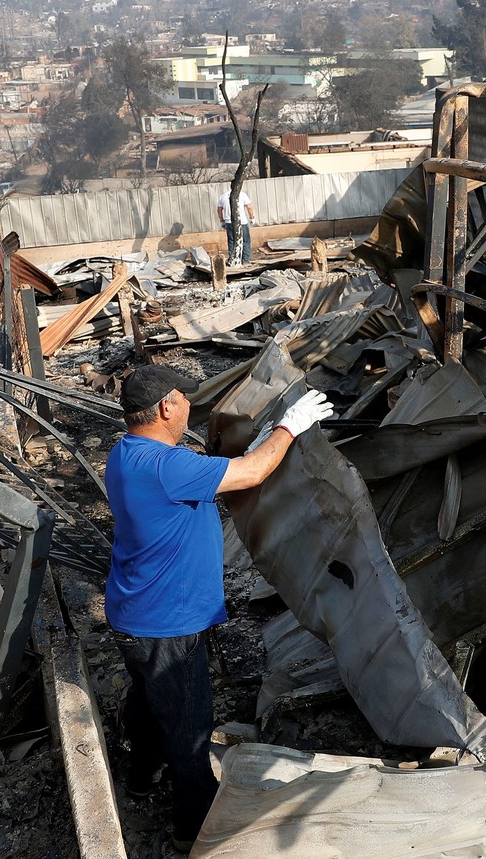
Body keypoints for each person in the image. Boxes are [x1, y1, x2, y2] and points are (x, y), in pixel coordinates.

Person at [105, 363, 332, 852]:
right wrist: (290, 424)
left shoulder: (128, 454)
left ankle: (141, 779)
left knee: (147, 702)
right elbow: (250, 473)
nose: (190, 404)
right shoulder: (168, 467)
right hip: (168, 623)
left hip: (133, 613)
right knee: (190, 730)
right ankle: (196, 833)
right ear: (166, 407)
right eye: (185, 397)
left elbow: (224, 475)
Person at [215, 188, 256, 265]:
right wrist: (252, 217)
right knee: (245, 241)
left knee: (232, 242)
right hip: (242, 221)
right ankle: (245, 261)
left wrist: (222, 220)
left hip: (229, 222)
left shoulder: (223, 196)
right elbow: (249, 207)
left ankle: (233, 260)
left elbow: (219, 209)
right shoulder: (242, 194)